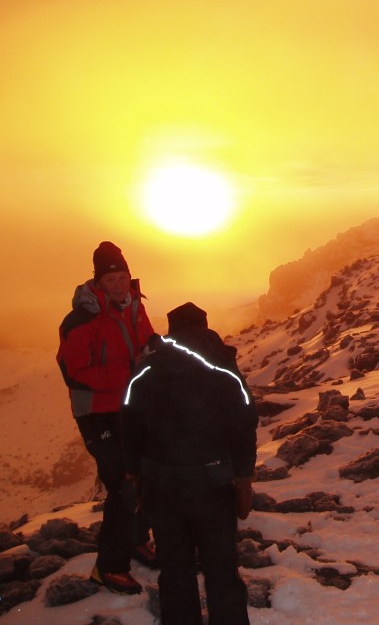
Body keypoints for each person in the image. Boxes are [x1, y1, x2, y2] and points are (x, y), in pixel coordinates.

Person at [122, 302, 258, 625]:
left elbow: (129, 424)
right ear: (206, 328)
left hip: (161, 485)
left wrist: (136, 476)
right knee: (221, 567)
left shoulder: (145, 372)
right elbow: (244, 423)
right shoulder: (224, 369)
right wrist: (243, 478)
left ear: (171, 333)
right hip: (213, 483)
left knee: (175, 568)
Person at [57, 241, 158, 594]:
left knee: (147, 471)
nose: (117, 284)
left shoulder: (133, 306)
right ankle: (109, 568)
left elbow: (145, 343)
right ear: (98, 281)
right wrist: (128, 373)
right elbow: (74, 371)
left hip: (129, 405)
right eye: (110, 278)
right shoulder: (81, 319)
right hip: (97, 413)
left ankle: (134, 539)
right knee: (123, 485)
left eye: (122, 276)